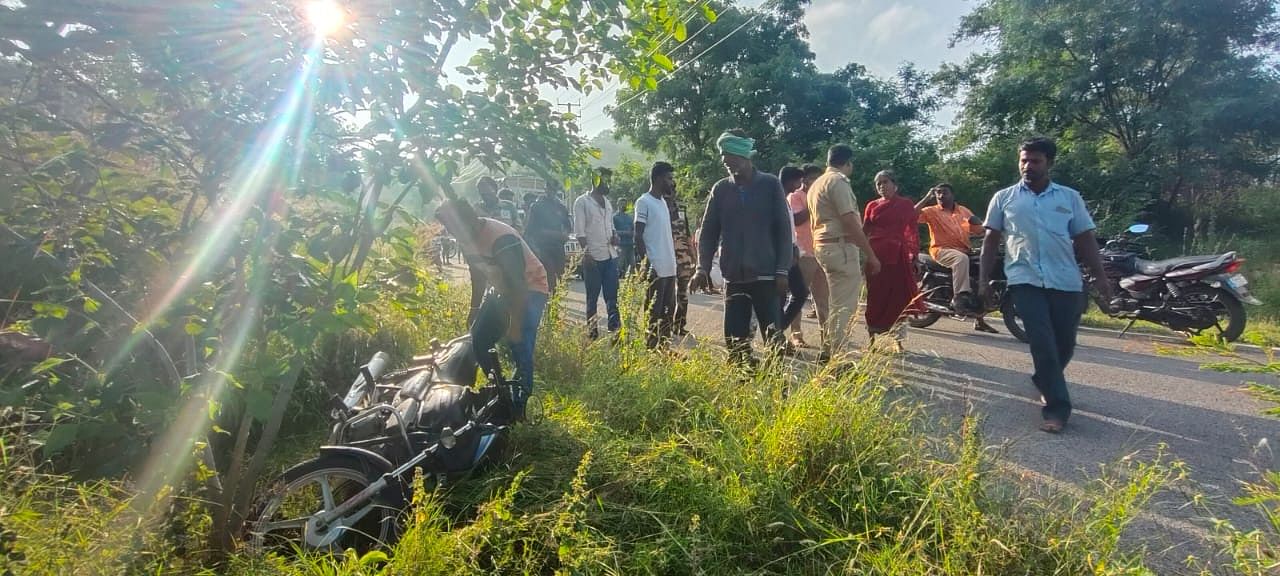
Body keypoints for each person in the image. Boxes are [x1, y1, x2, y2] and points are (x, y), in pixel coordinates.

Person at [980, 137, 1113, 434]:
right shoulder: (1004, 198)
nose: (1028, 166)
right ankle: (1056, 409)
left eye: (1035, 161)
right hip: (1024, 279)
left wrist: (1101, 276)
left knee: (1064, 342)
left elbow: (1084, 238)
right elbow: (990, 241)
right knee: (1041, 341)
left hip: (1065, 280)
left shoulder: (1069, 198)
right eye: (1024, 160)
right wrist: (983, 279)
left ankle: (1045, 379)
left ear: (1049, 163)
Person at [436, 198, 547, 420]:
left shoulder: (500, 238)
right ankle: (498, 390)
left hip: (530, 289)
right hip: (501, 291)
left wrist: (514, 323)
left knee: (519, 345)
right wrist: (475, 307)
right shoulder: (466, 239)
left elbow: (517, 286)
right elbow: (478, 275)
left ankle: (518, 410)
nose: (451, 233)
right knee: (479, 338)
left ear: (467, 221)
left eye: (453, 227)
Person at [689, 131, 793, 366]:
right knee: (734, 340)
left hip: (766, 276)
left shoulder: (769, 184)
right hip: (734, 276)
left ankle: (775, 388)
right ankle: (743, 383)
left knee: (772, 338)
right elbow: (708, 233)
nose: (725, 161)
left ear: (744, 154)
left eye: (729, 156)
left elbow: (783, 230)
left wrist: (782, 270)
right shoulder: (721, 189)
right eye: (723, 157)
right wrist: (702, 268)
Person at [807, 144, 881, 361]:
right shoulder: (838, 182)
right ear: (848, 162)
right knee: (844, 307)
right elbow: (849, 220)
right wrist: (870, 254)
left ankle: (828, 351)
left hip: (823, 246)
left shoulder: (816, 184)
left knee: (834, 303)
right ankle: (837, 358)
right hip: (840, 246)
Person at [916, 183, 998, 333]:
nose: (940, 196)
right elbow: (910, 215)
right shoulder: (931, 211)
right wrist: (927, 198)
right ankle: (960, 297)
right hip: (942, 250)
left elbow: (979, 230)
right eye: (938, 193)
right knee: (961, 259)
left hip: (964, 249)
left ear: (953, 195)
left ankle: (979, 317)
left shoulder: (964, 211)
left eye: (944, 193)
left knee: (980, 269)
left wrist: (992, 230)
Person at [862, 170, 922, 352]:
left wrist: (914, 256)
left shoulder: (905, 204)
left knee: (899, 298)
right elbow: (864, 231)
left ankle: (898, 341)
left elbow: (911, 231)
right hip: (875, 255)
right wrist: (861, 255)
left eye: (885, 182)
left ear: (895, 185)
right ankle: (871, 340)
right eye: (878, 183)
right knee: (875, 296)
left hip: (898, 256)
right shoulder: (872, 205)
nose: (881, 186)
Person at [572, 168, 621, 339]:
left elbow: (611, 227)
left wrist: (615, 236)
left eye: (609, 180)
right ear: (595, 180)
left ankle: (615, 332)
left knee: (612, 297)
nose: (608, 184)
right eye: (605, 180)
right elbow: (580, 232)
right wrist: (586, 254)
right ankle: (592, 334)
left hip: (610, 256)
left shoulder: (607, 203)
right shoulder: (582, 202)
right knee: (592, 299)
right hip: (592, 258)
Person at [635, 162, 679, 349]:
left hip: (669, 268)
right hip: (656, 268)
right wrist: (647, 264)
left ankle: (664, 350)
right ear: (659, 178)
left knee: (668, 313)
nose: (672, 182)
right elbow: (637, 235)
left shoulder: (662, 202)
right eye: (669, 178)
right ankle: (652, 350)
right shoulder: (643, 202)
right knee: (654, 312)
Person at [778, 166, 810, 350]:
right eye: (798, 181)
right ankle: (776, 336)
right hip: (781, 255)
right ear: (791, 180)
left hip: (790, 252)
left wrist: (794, 247)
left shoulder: (785, 200)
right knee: (781, 296)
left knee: (800, 293)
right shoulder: (776, 199)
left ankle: (778, 329)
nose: (799, 186)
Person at [524, 185, 572, 295]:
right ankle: (549, 302)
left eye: (554, 189)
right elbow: (531, 229)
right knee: (549, 275)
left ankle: (555, 300)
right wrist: (552, 234)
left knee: (561, 274)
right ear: (545, 189)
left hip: (558, 246)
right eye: (549, 188)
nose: (552, 191)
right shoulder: (537, 206)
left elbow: (568, 225)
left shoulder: (561, 207)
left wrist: (565, 234)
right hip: (542, 246)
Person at [664, 181, 696, 337]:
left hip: (683, 257)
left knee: (683, 294)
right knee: (668, 295)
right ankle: (667, 327)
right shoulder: (660, 208)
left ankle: (680, 325)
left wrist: (693, 254)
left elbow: (687, 233)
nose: (672, 191)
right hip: (667, 257)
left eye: (673, 189)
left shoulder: (681, 209)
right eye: (670, 188)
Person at [799, 164, 826, 322]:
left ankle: (827, 341)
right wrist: (812, 200)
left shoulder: (824, 196)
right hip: (804, 253)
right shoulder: (795, 196)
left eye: (818, 178)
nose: (816, 181)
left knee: (823, 300)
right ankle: (796, 335)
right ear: (803, 180)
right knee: (799, 297)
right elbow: (797, 219)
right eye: (812, 178)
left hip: (822, 252)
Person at [613, 202, 635, 277]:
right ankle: (615, 280)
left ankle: (630, 282)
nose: (624, 205)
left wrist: (633, 233)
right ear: (618, 205)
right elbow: (613, 231)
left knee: (632, 264)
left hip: (630, 244)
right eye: (622, 203)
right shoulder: (615, 217)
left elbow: (633, 229)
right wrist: (624, 233)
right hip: (620, 244)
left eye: (625, 204)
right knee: (619, 264)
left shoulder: (629, 217)